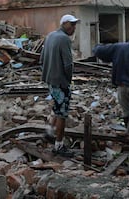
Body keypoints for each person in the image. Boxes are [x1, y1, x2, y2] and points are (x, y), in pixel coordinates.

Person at [41, 14, 80, 156]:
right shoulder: (64, 39)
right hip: (60, 81)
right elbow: (68, 64)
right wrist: (68, 80)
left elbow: (41, 58)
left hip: (50, 80)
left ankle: (49, 132)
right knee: (62, 113)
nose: (74, 27)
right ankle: (59, 145)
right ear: (64, 23)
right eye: (72, 24)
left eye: (75, 24)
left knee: (57, 107)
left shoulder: (50, 35)